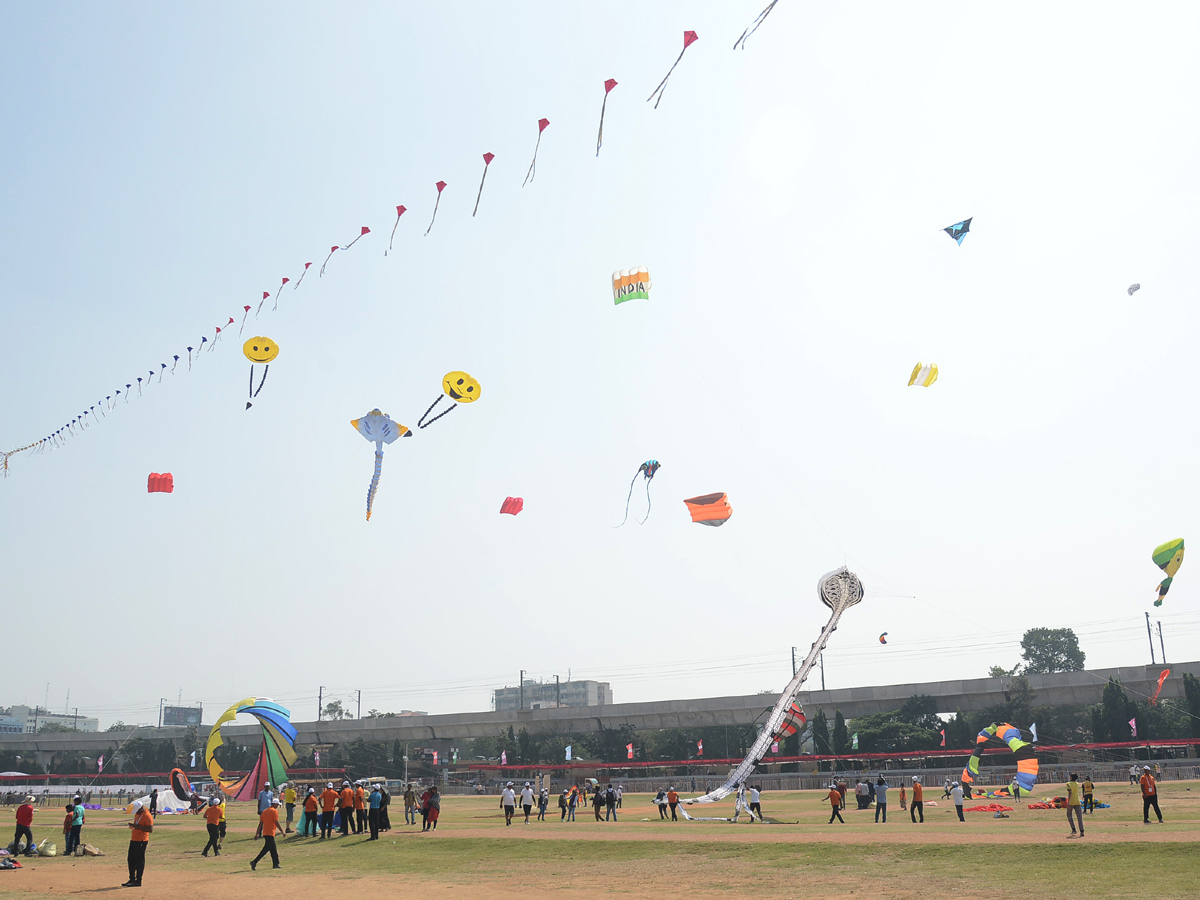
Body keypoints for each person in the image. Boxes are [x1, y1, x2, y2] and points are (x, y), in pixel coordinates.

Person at [123, 800, 153, 887]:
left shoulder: (147, 816)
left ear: (141, 808)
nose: (136, 812)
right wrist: (133, 826)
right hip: (134, 839)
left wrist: (138, 827)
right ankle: (132, 878)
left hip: (142, 840)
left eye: (137, 810)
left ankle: (138, 880)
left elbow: (150, 829)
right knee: (131, 859)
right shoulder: (137, 814)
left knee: (139, 860)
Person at [251, 798, 282, 870]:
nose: (277, 806)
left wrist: (257, 833)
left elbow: (260, 824)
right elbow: (276, 822)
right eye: (277, 805)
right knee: (266, 849)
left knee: (273, 849)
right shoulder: (274, 811)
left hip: (265, 833)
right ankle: (254, 861)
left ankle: (276, 864)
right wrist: (282, 831)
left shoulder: (264, 811)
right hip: (270, 832)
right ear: (274, 804)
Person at [1065, 773, 1084, 838]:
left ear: (1071, 777)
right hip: (1077, 801)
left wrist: (1068, 802)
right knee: (1079, 817)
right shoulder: (1077, 784)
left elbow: (1070, 793)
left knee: (1069, 815)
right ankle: (1082, 831)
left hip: (1071, 802)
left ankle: (1073, 829)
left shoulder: (1068, 784)